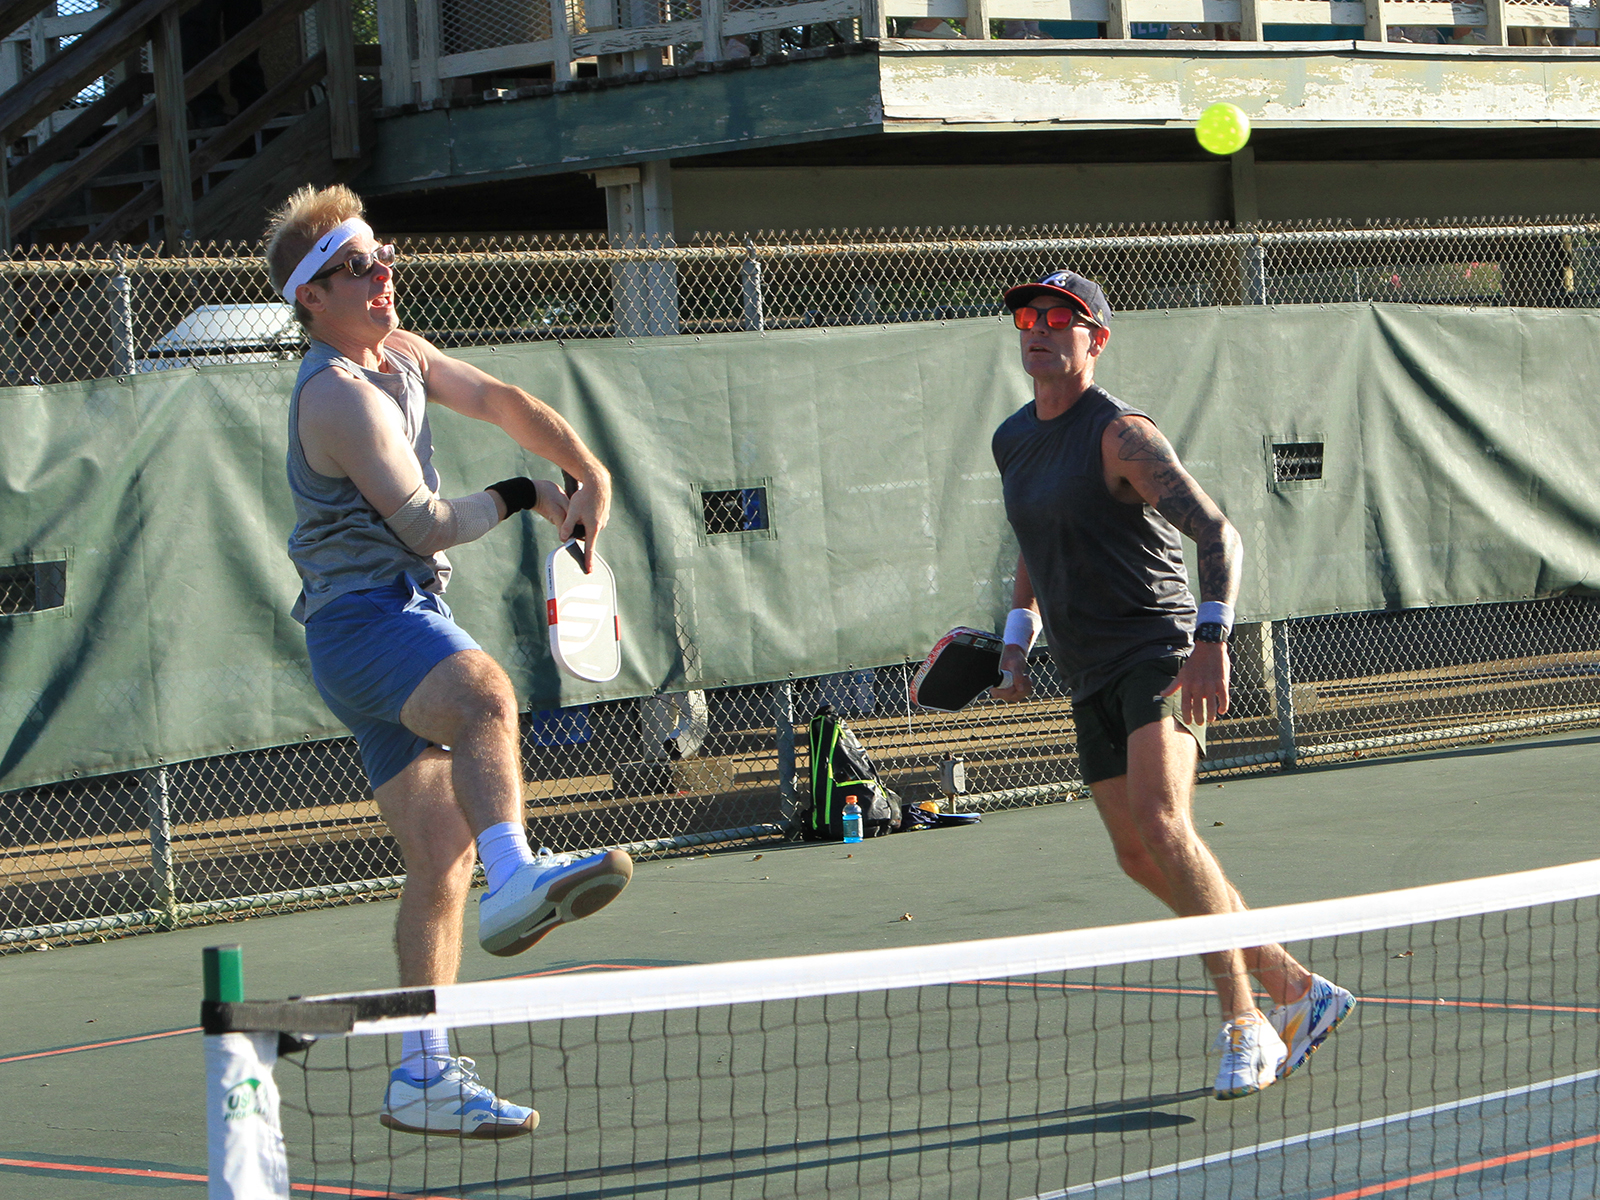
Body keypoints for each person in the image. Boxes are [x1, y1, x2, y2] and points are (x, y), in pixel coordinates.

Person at [264, 184, 634, 1138]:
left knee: (439, 857)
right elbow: (426, 522)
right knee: (483, 694)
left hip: (392, 616)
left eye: (384, 258)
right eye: (358, 269)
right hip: (364, 621)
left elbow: (503, 401)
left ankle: (422, 1073)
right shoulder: (335, 394)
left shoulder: (399, 355)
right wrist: (524, 493)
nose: (384, 276)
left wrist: (585, 475)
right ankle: (518, 875)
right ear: (313, 298)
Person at [988, 269, 1355, 1100]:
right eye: (1027, 317)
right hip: (1084, 669)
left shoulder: (1122, 435)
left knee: (1163, 820)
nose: (1038, 328)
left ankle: (1245, 1023)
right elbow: (1032, 543)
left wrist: (1211, 640)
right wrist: (1015, 645)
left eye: (1059, 318)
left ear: (1096, 339)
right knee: (1135, 854)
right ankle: (1298, 989)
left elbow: (1218, 532)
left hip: (1158, 649)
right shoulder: (1014, 439)